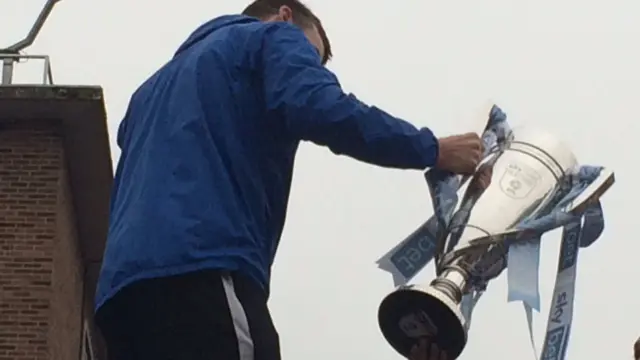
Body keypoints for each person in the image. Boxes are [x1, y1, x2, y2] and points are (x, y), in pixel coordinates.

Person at [94, 1, 486, 359]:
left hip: (121, 296)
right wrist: (432, 148)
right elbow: (322, 108)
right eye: (311, 59)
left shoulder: (148, 93)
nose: (310, 69)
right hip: (204, 267)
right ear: (284, 15)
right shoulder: (272, 37)